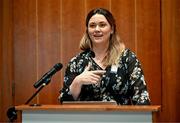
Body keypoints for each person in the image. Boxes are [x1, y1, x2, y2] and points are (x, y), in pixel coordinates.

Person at [58, 8, 150, 105]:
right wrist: (77, 82)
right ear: (88, 31)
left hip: (120, 118)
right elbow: (64, 102)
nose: (97, 29)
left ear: (112, 29)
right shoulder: (76, 62)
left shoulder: (127, 58)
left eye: (102, 25)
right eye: (92, 26)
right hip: (86, 119)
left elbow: (141, 98)